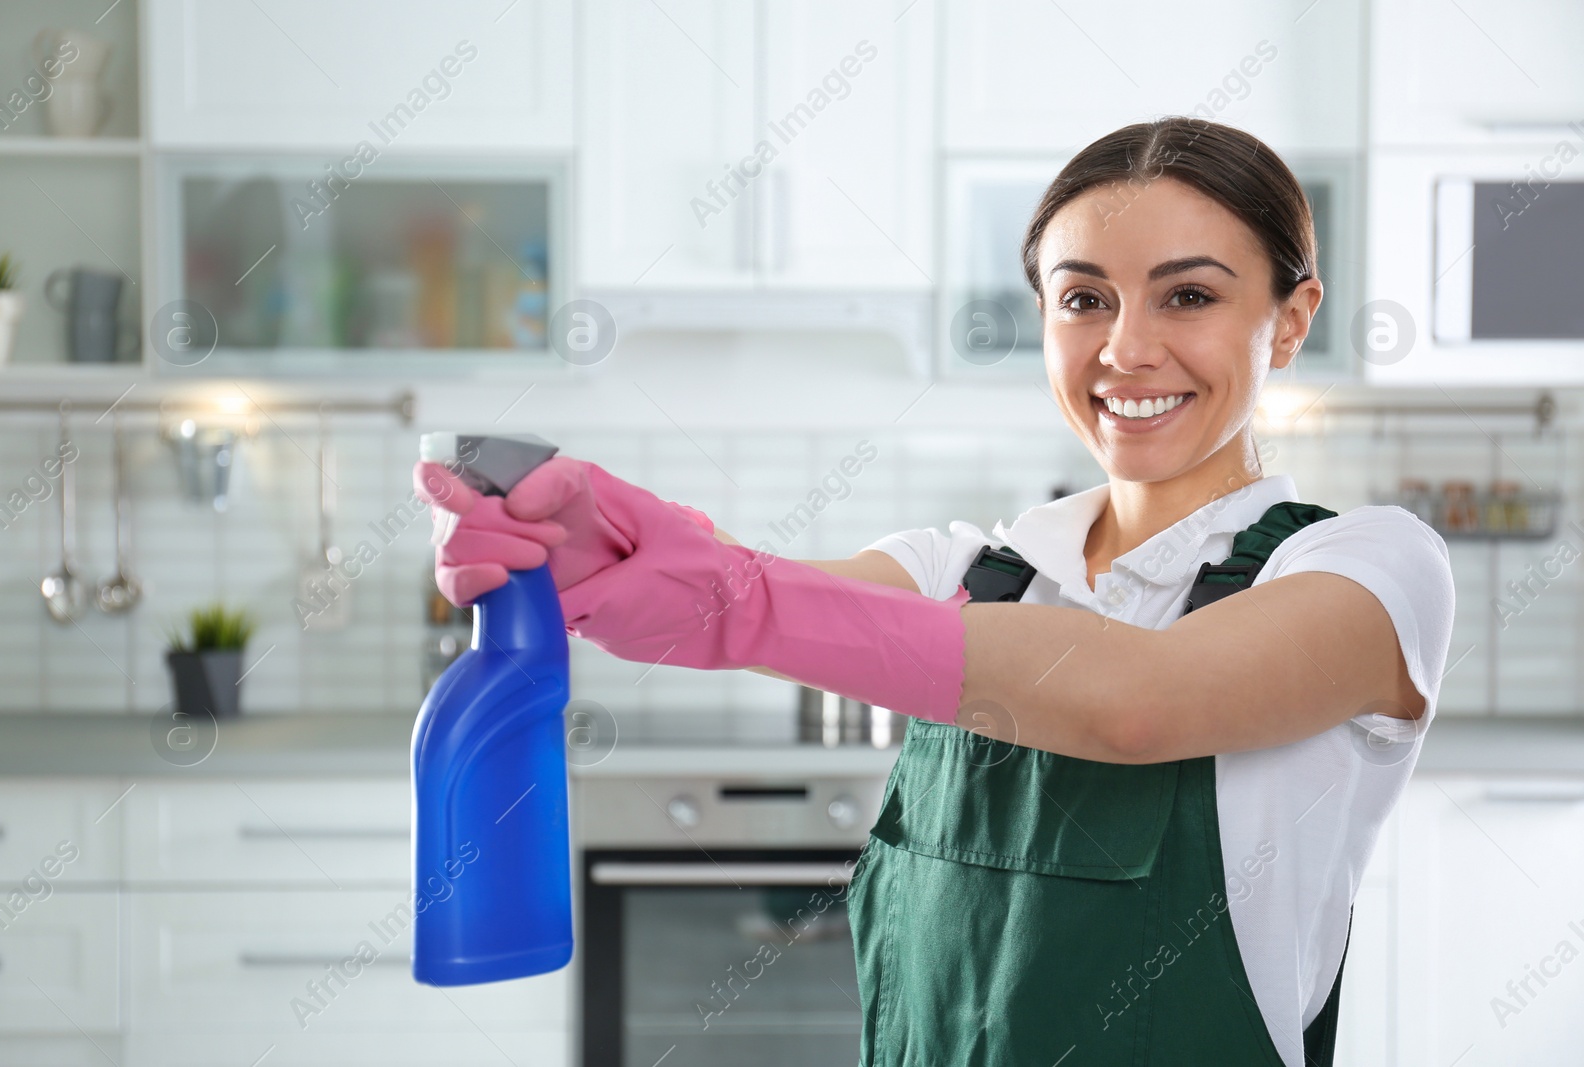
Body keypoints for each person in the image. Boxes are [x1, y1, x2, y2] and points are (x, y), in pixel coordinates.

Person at [414, 117, 1454, 1067]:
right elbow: (766, 597)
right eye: (1083, 298)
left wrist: (737, 599)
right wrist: (598, 550)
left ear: (1286, 319)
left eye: (1189, 294)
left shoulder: (1364, 568)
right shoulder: (962, 568)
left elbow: (1140, 702)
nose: (1126, 347)